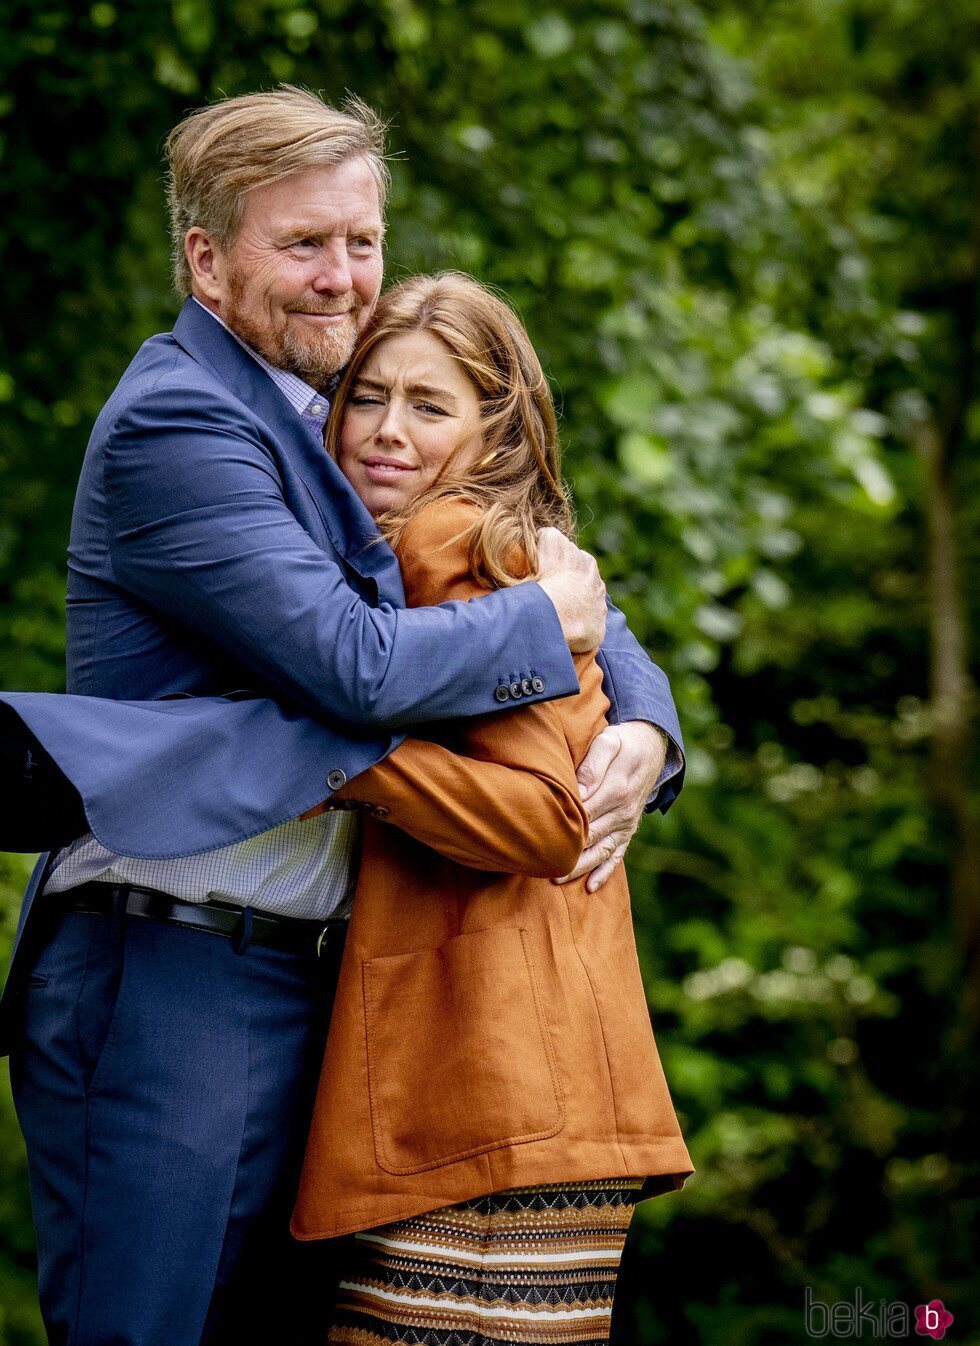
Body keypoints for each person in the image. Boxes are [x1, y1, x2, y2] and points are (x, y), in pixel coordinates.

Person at [0, 88, 684, 1346]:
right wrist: (549, 631)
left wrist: (646, 719)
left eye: (359, 240)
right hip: (167, 963)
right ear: (206, 258)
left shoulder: (327, 414)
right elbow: (355, 664)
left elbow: (533, 561)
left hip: (306, 972)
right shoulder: (180, 419)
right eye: (302, 243)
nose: (342, 277)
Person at [290, 272, 693, 1344]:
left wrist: (332, 750)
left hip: (491, 1085)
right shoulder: (480, 545)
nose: (384, 432)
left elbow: (539, 816)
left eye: (429, 406)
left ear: (494, 426)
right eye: (366, 396)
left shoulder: (446, 545)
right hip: (540, 1085)